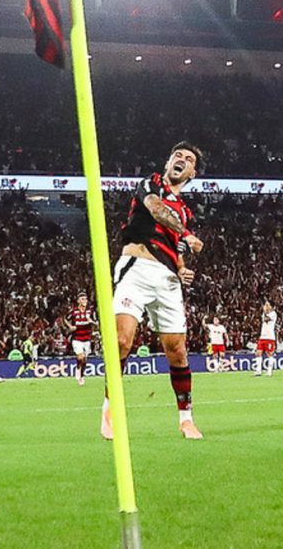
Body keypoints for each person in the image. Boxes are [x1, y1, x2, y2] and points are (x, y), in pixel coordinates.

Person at [103, 142, 205, 440]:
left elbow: (177, 248)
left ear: (192, 172)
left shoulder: (186, 211)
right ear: (168, 160)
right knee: (122, 340)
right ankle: (110, 409)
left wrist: (182, 267)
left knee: (177, 351)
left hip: (168, 280)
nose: (181, 160)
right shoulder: (152, 183)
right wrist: (186, 234)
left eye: (188, 159)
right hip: (136, 268)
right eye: (178, 155)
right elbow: (156, 210)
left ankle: (186, 419)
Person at [63, 292, 96, 385]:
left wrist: (91, 321)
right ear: (78, 301)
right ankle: (78, 368)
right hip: (77, 338)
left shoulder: (90, 311)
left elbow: (97, 323)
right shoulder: (74, 311)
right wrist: (70, 326)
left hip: (87, 338)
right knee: (81, 357)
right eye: (82, 299)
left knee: (84, 360)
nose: (84, 301)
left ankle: (81, 375)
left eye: (85, 299)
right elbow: (65, 318)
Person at [255, 300, 278, 377]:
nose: (266, 306)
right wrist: (264, 312)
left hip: (270, 337)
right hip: (262, 336)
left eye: (268, 305)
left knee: (269, 354)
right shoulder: (264, 313)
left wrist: (265, 311)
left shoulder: (273, 314)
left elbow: (266, 319)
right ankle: (258, 371)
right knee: (258, 353)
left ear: (271, 306)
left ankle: (269, 371)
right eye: (265, 305)